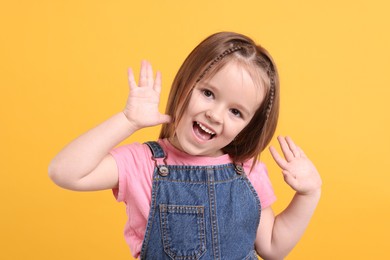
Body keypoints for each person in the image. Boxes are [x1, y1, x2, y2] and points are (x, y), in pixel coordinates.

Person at [49, 32, 322, 260]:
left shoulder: (248, 172)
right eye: (208, 93)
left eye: (236, 112)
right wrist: (127, 120)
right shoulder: (143, 163)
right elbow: (65, 172)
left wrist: (308, 195)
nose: (215, 115)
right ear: (185, 84)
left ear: (248, 126)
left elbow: (273, 247)